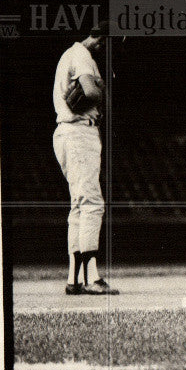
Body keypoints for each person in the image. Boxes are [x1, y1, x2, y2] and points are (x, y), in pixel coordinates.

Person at [52, 21, 119, 295]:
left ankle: (74, 279)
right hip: (79, 133)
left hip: (67, 134)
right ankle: (92, 279)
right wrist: (101, 87)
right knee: (92, 204)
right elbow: (89, 92)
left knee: (79, 206)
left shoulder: (70, 54)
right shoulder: (81, 55)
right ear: (101, 38)